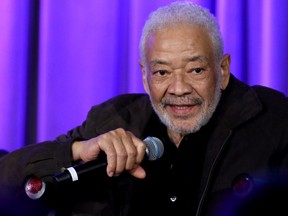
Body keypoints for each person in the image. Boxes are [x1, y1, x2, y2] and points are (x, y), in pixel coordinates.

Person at [1, 1, 288, 216]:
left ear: (222, 70)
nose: (179, 88)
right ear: (144, 75)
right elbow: (6, 180)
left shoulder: (272, 119)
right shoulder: (111, 119)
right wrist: (77, 150)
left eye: (196, 70)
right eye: (162, 72)